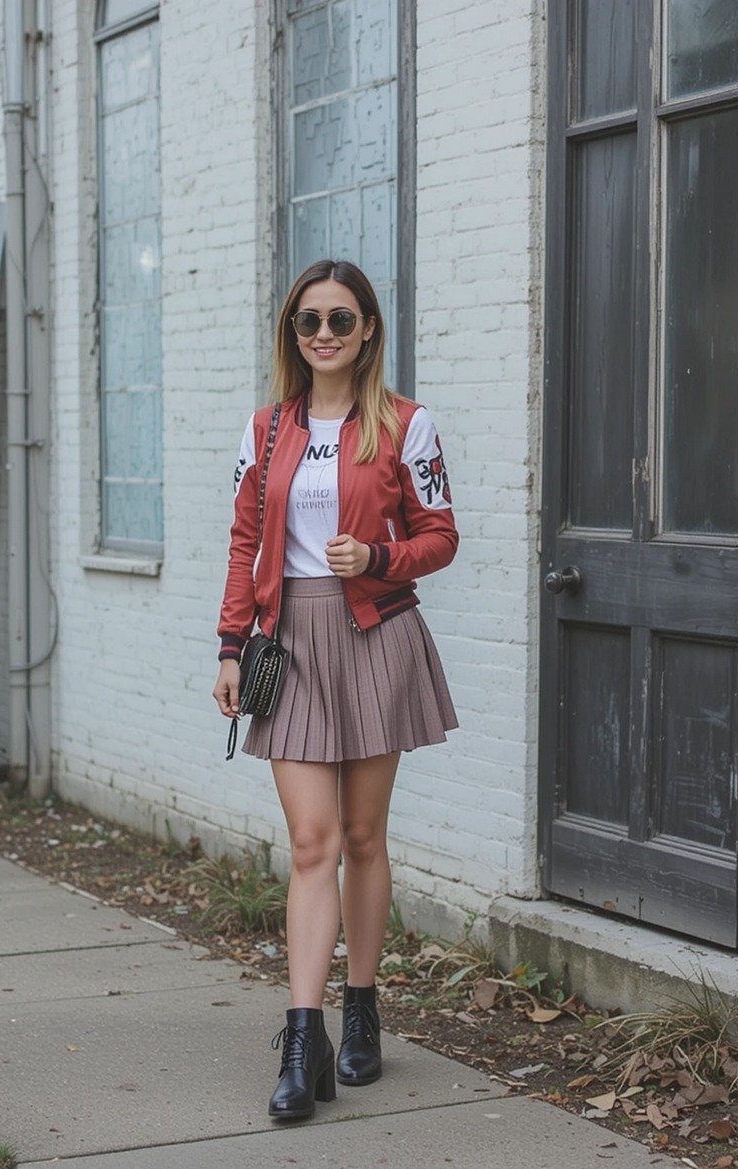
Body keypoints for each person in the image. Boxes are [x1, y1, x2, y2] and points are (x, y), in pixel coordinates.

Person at [212, 259, 458, 1121]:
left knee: (361, 833)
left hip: (374, 633)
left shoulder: (404, 425)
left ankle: (362, 1012)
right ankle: (303, 1037)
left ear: (367, 332)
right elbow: (246, 544)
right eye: (308, 321)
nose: (323, 334)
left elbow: (441, 534)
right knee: (311, 841)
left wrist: (381, 557)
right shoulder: (267, 430)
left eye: (340, 320)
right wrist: (231, 647)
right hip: (291, 644)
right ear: (294, 333)